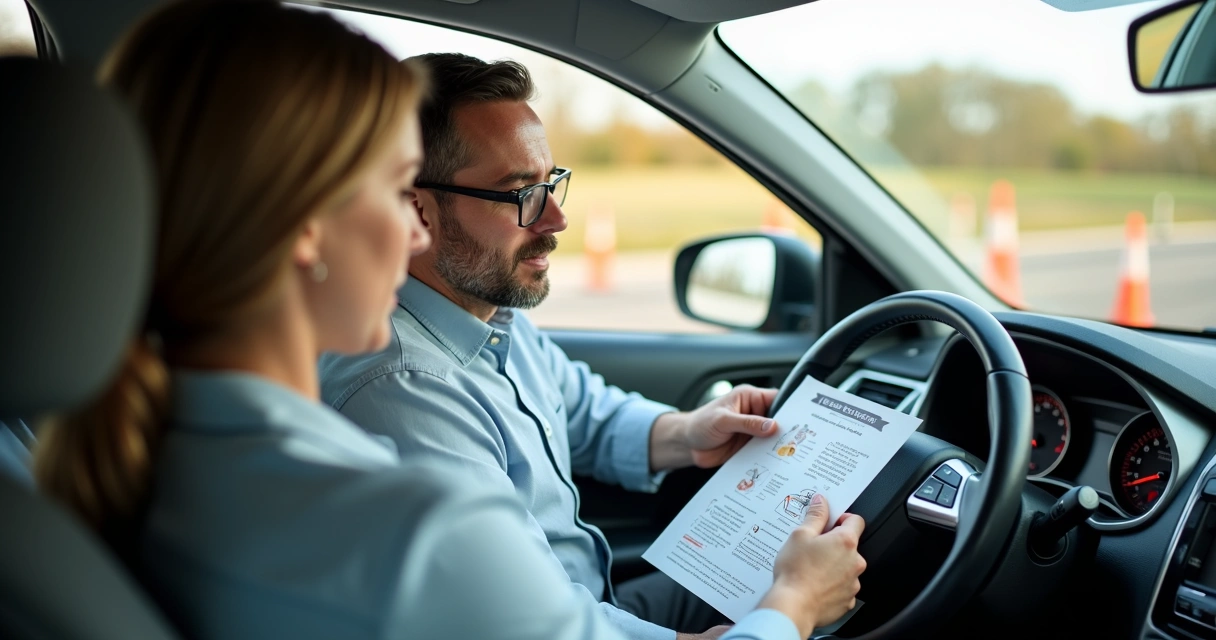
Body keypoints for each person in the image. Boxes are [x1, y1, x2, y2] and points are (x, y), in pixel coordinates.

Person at [33, 2, 864, 639]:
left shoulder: (134, 456)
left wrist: (682, 431)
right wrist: (789, 607)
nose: (415, 233)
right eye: (398, 190)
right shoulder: (417, 528)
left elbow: (572, 405)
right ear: (306, 225)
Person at [317, 52, 863, 640]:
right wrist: (793, 605)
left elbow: (584, 413)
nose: (556, 218)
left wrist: (688, 432)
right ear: (416, 207)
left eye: (551, 182)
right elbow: (529, 625)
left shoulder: (488, 313)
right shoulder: (402, 391)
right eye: (520, 192)